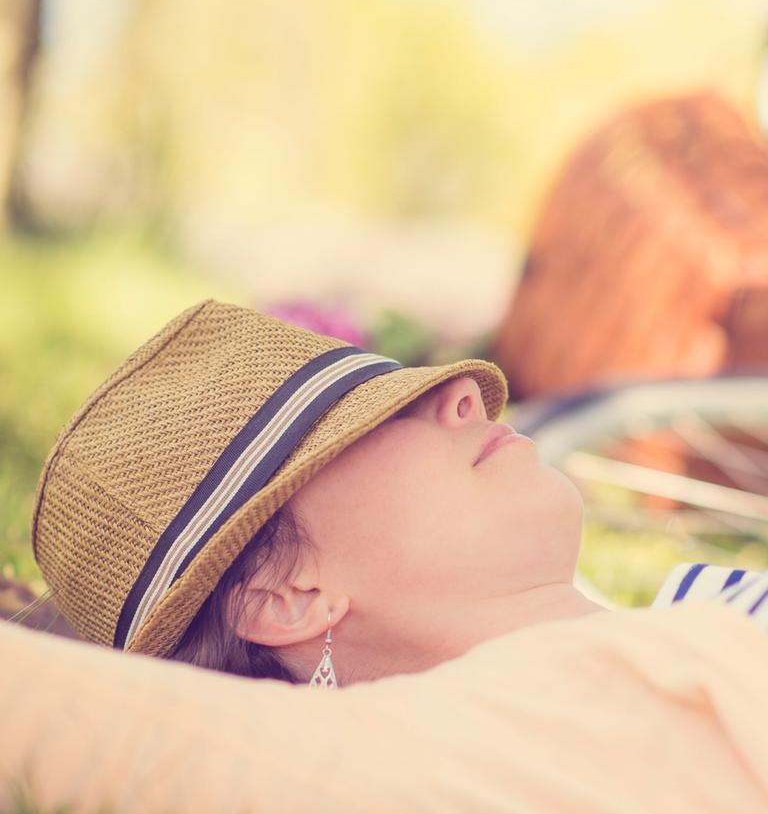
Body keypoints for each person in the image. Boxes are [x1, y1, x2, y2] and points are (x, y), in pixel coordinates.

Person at [27, 297, 768, 689]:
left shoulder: (701, 622)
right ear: (283, 594)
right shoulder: (528, 754)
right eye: (376, 418)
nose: (467, 398)